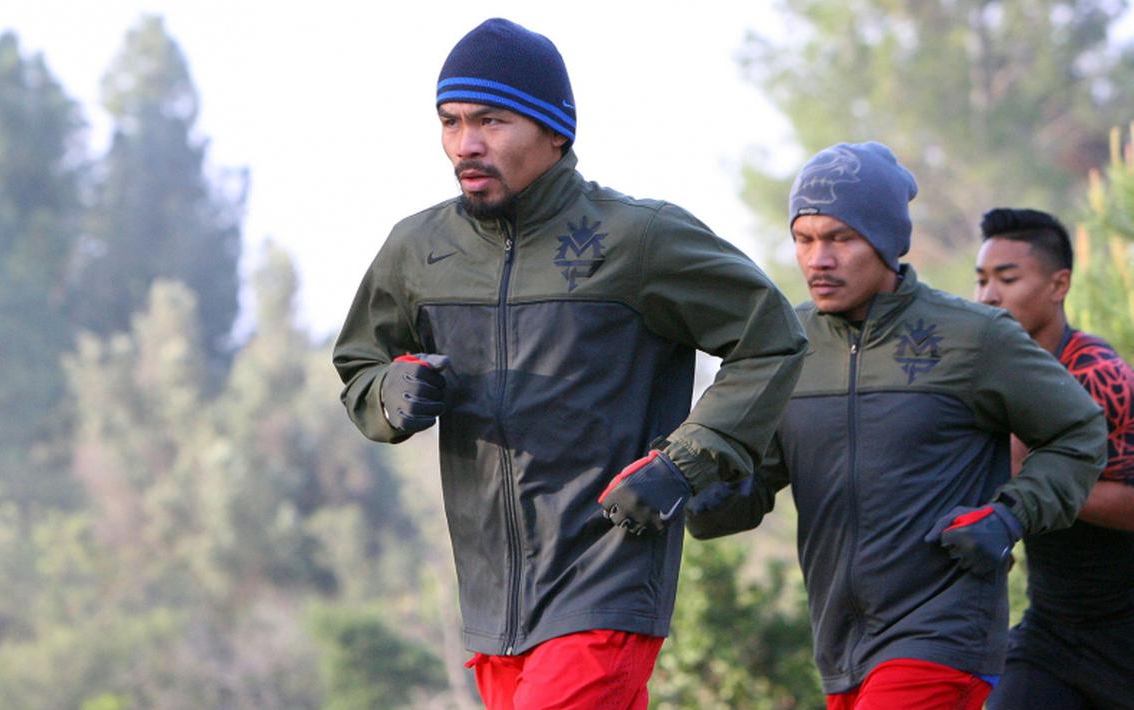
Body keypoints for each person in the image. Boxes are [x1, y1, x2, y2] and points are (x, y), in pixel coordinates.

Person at [332, 18, 807, 710]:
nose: (465, 143)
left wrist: (684, 462)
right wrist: (388, 391)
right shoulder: (416, 249)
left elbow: (770, 338)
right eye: (450, 121)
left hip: (605, 574)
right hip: (492, 598)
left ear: (554, 131)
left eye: (490, 121)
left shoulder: (636, 238)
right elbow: (360, 363)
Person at [686, 142, 1108, 710]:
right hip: (840, 645)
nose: (818, 259)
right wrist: (705, 496)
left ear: (886, 243)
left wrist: (1010, 515)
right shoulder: (786, 345)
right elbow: (760, 479)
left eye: (841, 238)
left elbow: (1079, 433)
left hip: (943, 632)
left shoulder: (976, 337)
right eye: (805, 239)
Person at [975, 207, 1134, 710]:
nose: (988, 296)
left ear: (1058, 284)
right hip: (1052, 632)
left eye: (1007, 277)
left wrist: (1038, 484)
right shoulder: (990, 378)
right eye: (981, 280)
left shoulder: (1098, 376)